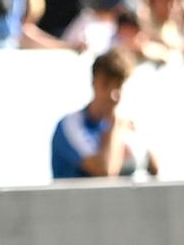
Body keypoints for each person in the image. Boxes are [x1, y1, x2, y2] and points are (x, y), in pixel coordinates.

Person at [49, 48, 155, 180]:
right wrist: (116, 125)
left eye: (119, 86)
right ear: (93, 83)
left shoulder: (127, 124)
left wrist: (138, 137)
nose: (113, 95)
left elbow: (155, 169)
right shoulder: (70, 124)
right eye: (106, 85)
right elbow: (105, 171)